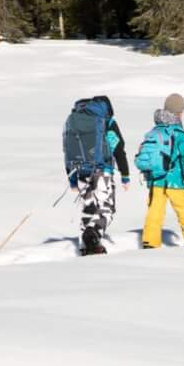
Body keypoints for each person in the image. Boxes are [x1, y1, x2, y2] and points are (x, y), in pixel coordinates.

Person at [135, 93, 184, 249]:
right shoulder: (179, 133)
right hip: (176, 180)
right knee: (183, 209)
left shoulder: (155, 131)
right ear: (180, 112)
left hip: (156, 179)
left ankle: (150, 241)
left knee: (155, 211)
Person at [62, 93, 130, 256]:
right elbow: (118, 148)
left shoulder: (72, 121)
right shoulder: (107, 121)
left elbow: (68, 150)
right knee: (107, 207)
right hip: (102, 169)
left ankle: (86, 244)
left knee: (89, 207)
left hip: (81, 171)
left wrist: (72, 181)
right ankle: (93, 239)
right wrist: (125, 174)